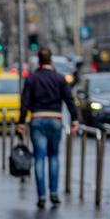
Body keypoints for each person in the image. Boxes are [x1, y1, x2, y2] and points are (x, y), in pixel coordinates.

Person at [17, 47, 79, 208]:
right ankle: (54, 193)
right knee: (53, 156)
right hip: (55, 119)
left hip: (37, 120)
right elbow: (69, 100)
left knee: (39, 157)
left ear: (39, 60)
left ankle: (42, 195)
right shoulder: (59, 78)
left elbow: (25, 103)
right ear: (50, 60)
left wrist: (21, 122)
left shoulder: (32, 79)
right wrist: (75, 120)